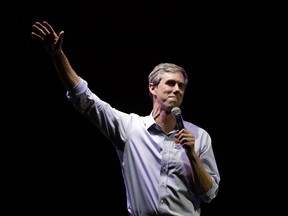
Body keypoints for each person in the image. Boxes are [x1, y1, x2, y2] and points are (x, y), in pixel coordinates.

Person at [31, 20, 220, 216]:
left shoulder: (199, 136)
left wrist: (192, 155)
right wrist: (57, 55)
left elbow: (209, 193)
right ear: (152, 88)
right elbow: (86, 100)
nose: (177, 90)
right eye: (171, 83)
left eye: (181, 86)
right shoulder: (131, 128)